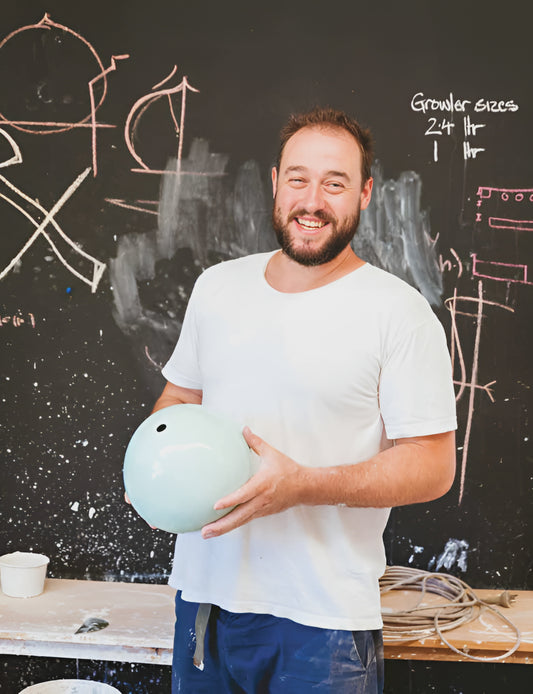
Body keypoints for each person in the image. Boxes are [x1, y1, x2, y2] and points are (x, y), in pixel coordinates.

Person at [152, 107, 457, 693]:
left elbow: (432, 464)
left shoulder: (398, 312)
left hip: (325, 625)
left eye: (335, 182)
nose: (312, 200)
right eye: (298, 179)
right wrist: (156, 468)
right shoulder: (217, 288)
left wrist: (302, 486)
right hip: (204, 605)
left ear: (365, 193)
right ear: (275, 183)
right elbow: (178, 396)